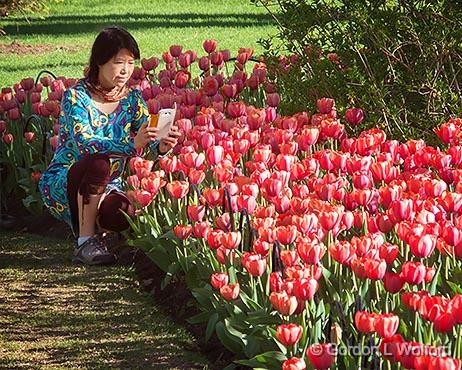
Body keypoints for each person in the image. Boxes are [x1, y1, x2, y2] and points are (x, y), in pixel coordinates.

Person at [39, 26, 181, 266]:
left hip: (109, 184)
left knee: (122, 211)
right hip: (67, 179)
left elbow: (145, 144)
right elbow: (85, 144)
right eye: (118, 62)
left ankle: (98, 237)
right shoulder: (76, 97)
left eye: (130, 62)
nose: (125, 70)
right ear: (99, 61)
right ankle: (85, 243)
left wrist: (162, 145)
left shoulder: (132, 99)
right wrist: (131, 143)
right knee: (100, 163)